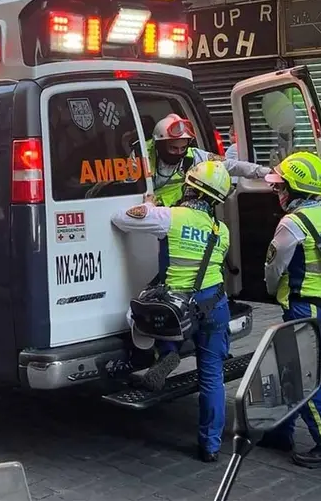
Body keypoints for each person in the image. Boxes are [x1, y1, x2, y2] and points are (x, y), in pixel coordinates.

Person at [112, 160, 233, 463]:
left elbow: (119, 219)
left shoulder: (170, 217)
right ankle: (211, 445)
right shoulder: (223, 230)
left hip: (176, 308)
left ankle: (166, 351)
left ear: (189, 187)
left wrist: (148, 206)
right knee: (212, 377)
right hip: (215, 304)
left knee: (145, 313)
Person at [258, 151, 321, 469]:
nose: (278, 192)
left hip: (303, 309)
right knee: (289, 372)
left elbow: (274, 268)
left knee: (304, 378)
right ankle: (281, 433)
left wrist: (270, 291)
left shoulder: (292, 223)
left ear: (295, 190)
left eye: (281, 187)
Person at [146, 114, 270, 207]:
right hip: (147, 210)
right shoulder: (141, 156)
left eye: (183, 148)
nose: (179, 153)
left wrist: (264, 172)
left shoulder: (192, 156)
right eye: (173, 148)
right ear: (160, 144)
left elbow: (231, 165)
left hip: (173, 213)